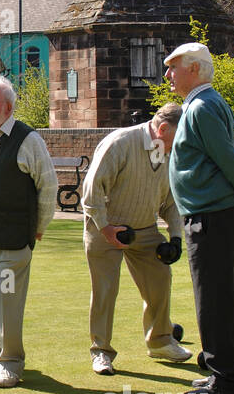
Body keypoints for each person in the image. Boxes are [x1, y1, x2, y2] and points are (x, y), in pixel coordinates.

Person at [164, 43, 234, 394]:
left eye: (174, 67)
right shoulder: (211, 104)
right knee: (223, 297)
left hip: (211, 217)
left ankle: (224, 379)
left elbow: (230, 159)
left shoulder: (200, 108)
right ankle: (227, 373)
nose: (168, 74)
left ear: (194, 69)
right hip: (219, 215)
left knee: (213, 299)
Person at [81, 102, 191, 375]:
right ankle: (101, 352)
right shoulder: (119, 143)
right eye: (180, 135)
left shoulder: (167, 152)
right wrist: (106, 228)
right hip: (105, 226)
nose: (183, 143)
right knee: (105, 290)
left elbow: (170, 201)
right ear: (162, 129)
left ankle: (160, 340)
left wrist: (175, 238)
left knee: (160, 279)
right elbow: (91, 192)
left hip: (144, 228)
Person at [0, 74, 58, 388]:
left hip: (12, 239)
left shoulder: (28, 139)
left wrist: (39, 227)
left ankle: (11, 362)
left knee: (7, 298)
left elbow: (48, 186)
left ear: (8, 106)